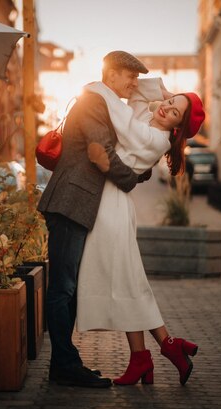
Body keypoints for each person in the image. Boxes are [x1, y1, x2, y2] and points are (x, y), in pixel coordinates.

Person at [76, 51, 205, 386]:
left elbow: (120, 111)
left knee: (126, 281)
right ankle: (151, 353)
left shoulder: (153, 137)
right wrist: (164, 93)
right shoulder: (146, 120)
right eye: (170, 102)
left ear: (177, 127)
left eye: (174, 112)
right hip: (109, 203)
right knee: (129, 281)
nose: (166, 108)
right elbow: (136, 93)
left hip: (112, 208)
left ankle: (156, 351)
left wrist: (96, 87)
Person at [37, 51, 153, 388]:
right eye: (130, 77)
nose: (134, 84)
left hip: (78, 204)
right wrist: (131, 180)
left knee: (67, 288)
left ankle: (65, 363)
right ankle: (63, 365)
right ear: (113, 74)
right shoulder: (92, 102)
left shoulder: (104, 104)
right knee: (62, 288)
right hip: (70, 202)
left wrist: (139, 171)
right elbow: (101, 153)